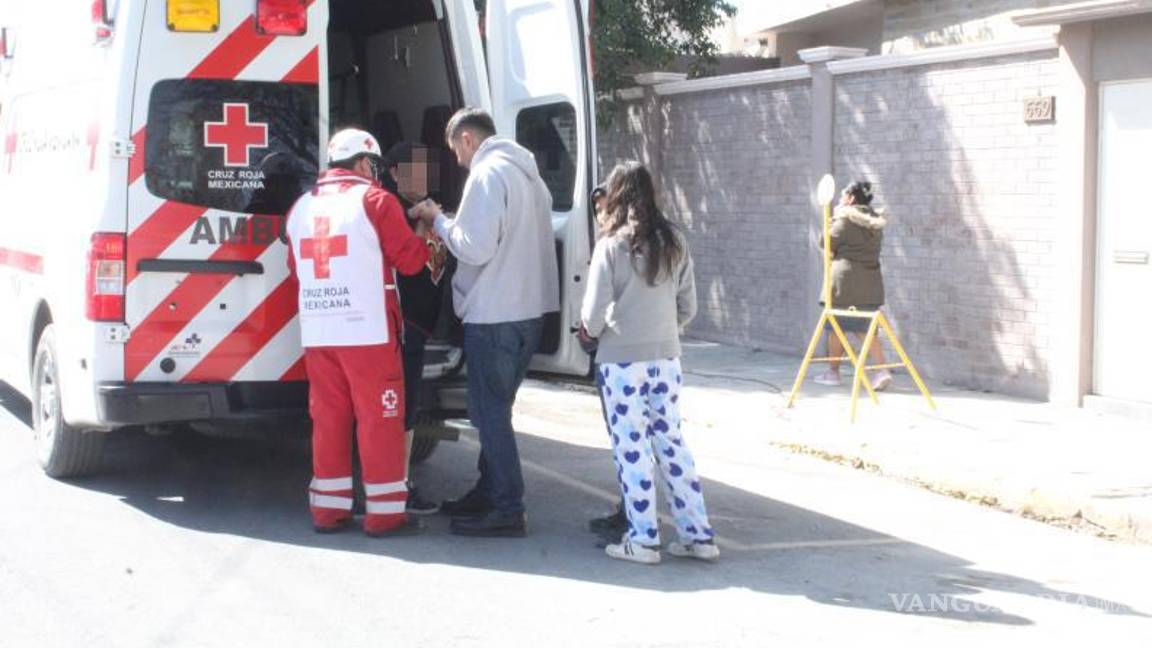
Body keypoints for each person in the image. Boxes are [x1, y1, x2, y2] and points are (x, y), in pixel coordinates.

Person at [412, 108, 559, 538]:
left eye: (456, 149)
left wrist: (438, 219)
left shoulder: (486, 175)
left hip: (494, 314)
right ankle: (489, 489)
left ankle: (507, 506)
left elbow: (474, 249)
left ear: (467, 139)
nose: (457, 160)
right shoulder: (530, 176)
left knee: (489, 414)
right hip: (527, 313)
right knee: (498, 409)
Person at [285, 129, 430, 536]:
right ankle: (385, 516)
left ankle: (328, 511)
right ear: (365, 164)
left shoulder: (300, 208)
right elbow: (411, 261)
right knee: (379, 419)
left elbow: (296, 270)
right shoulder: (376, 200)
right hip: (366, 331)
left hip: (319, 332)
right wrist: (422, 227)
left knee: (329, 420)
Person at [579, 161, 718, 565]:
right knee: (671, 443)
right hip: (667, 358)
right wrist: (662, 328)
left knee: (631, 447)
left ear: (616, 195)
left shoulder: (611, 246)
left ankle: (642, 539)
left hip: (621, 360)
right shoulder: (675, 240)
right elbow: (688, 305)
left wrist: (592, 333)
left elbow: (592, 313)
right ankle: (698, 536)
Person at [383, 141, 449, 516]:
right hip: (400, 323)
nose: (422, 178)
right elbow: (403, 259)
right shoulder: (389, 210)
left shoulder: (432, 209)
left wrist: (433, 220)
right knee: (400, 408)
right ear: (394, 173)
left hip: (422, 325)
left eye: (427, 169)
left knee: (410, 406)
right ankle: (397, 484)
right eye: (414, 169)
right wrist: (419, 223)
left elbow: (439, 262)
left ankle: (399, 480)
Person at [813, 180, 893, 391]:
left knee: (836, 327)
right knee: (866, 329)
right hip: (871, 282)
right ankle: (882, 370)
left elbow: (826, 242)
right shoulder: (875, 222)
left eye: (842, 196)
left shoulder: (845, 220)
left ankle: (833, 373)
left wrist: (830, 221)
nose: (840, 200)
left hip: (844, 283)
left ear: (851, 198)